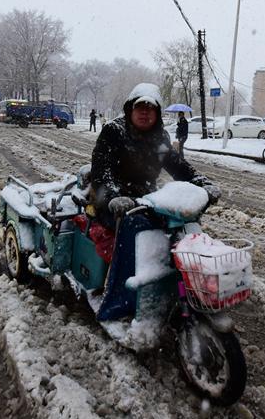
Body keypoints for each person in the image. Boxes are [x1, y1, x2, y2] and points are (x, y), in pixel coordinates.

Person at [90, 83, 220, 321]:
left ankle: (180, 282)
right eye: (140, 106)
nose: (145, 112)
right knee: (134, 228)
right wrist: (112, 196)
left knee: (177, 224)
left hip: (146, 198)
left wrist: (202, 182)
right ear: (130, 109)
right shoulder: (113, 131)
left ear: (158, 113)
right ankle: (119, 303)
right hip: (112, 200)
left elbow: (179, 167)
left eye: (151, 108)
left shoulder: (160, 137)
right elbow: (101, 173)